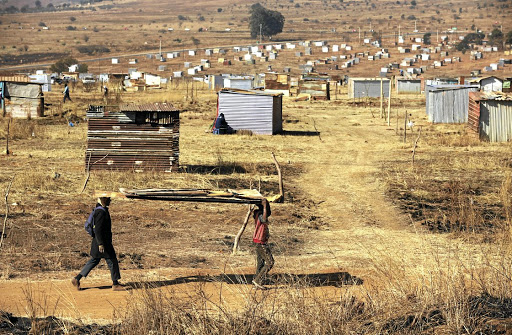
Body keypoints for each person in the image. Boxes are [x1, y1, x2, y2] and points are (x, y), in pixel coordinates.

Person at [72, 197, 125, 291]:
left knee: (94, 261)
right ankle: (115, 284)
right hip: (103, 243)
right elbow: (98, 229)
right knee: (112, 261)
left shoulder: (99, 210)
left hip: (98, 241)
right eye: (107, 199)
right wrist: (101, 243)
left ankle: (77, 279)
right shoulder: (101, 212)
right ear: (102, 200)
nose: (110, 201)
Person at [252, 198, 274, 290]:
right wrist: (264, 206)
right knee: (270, 262)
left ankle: (257, 282)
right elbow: (264, 219)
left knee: (260, 263)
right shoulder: (261, 214)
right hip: (261, 242)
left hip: (257, 241)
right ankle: (257, 280)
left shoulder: (257, 213)